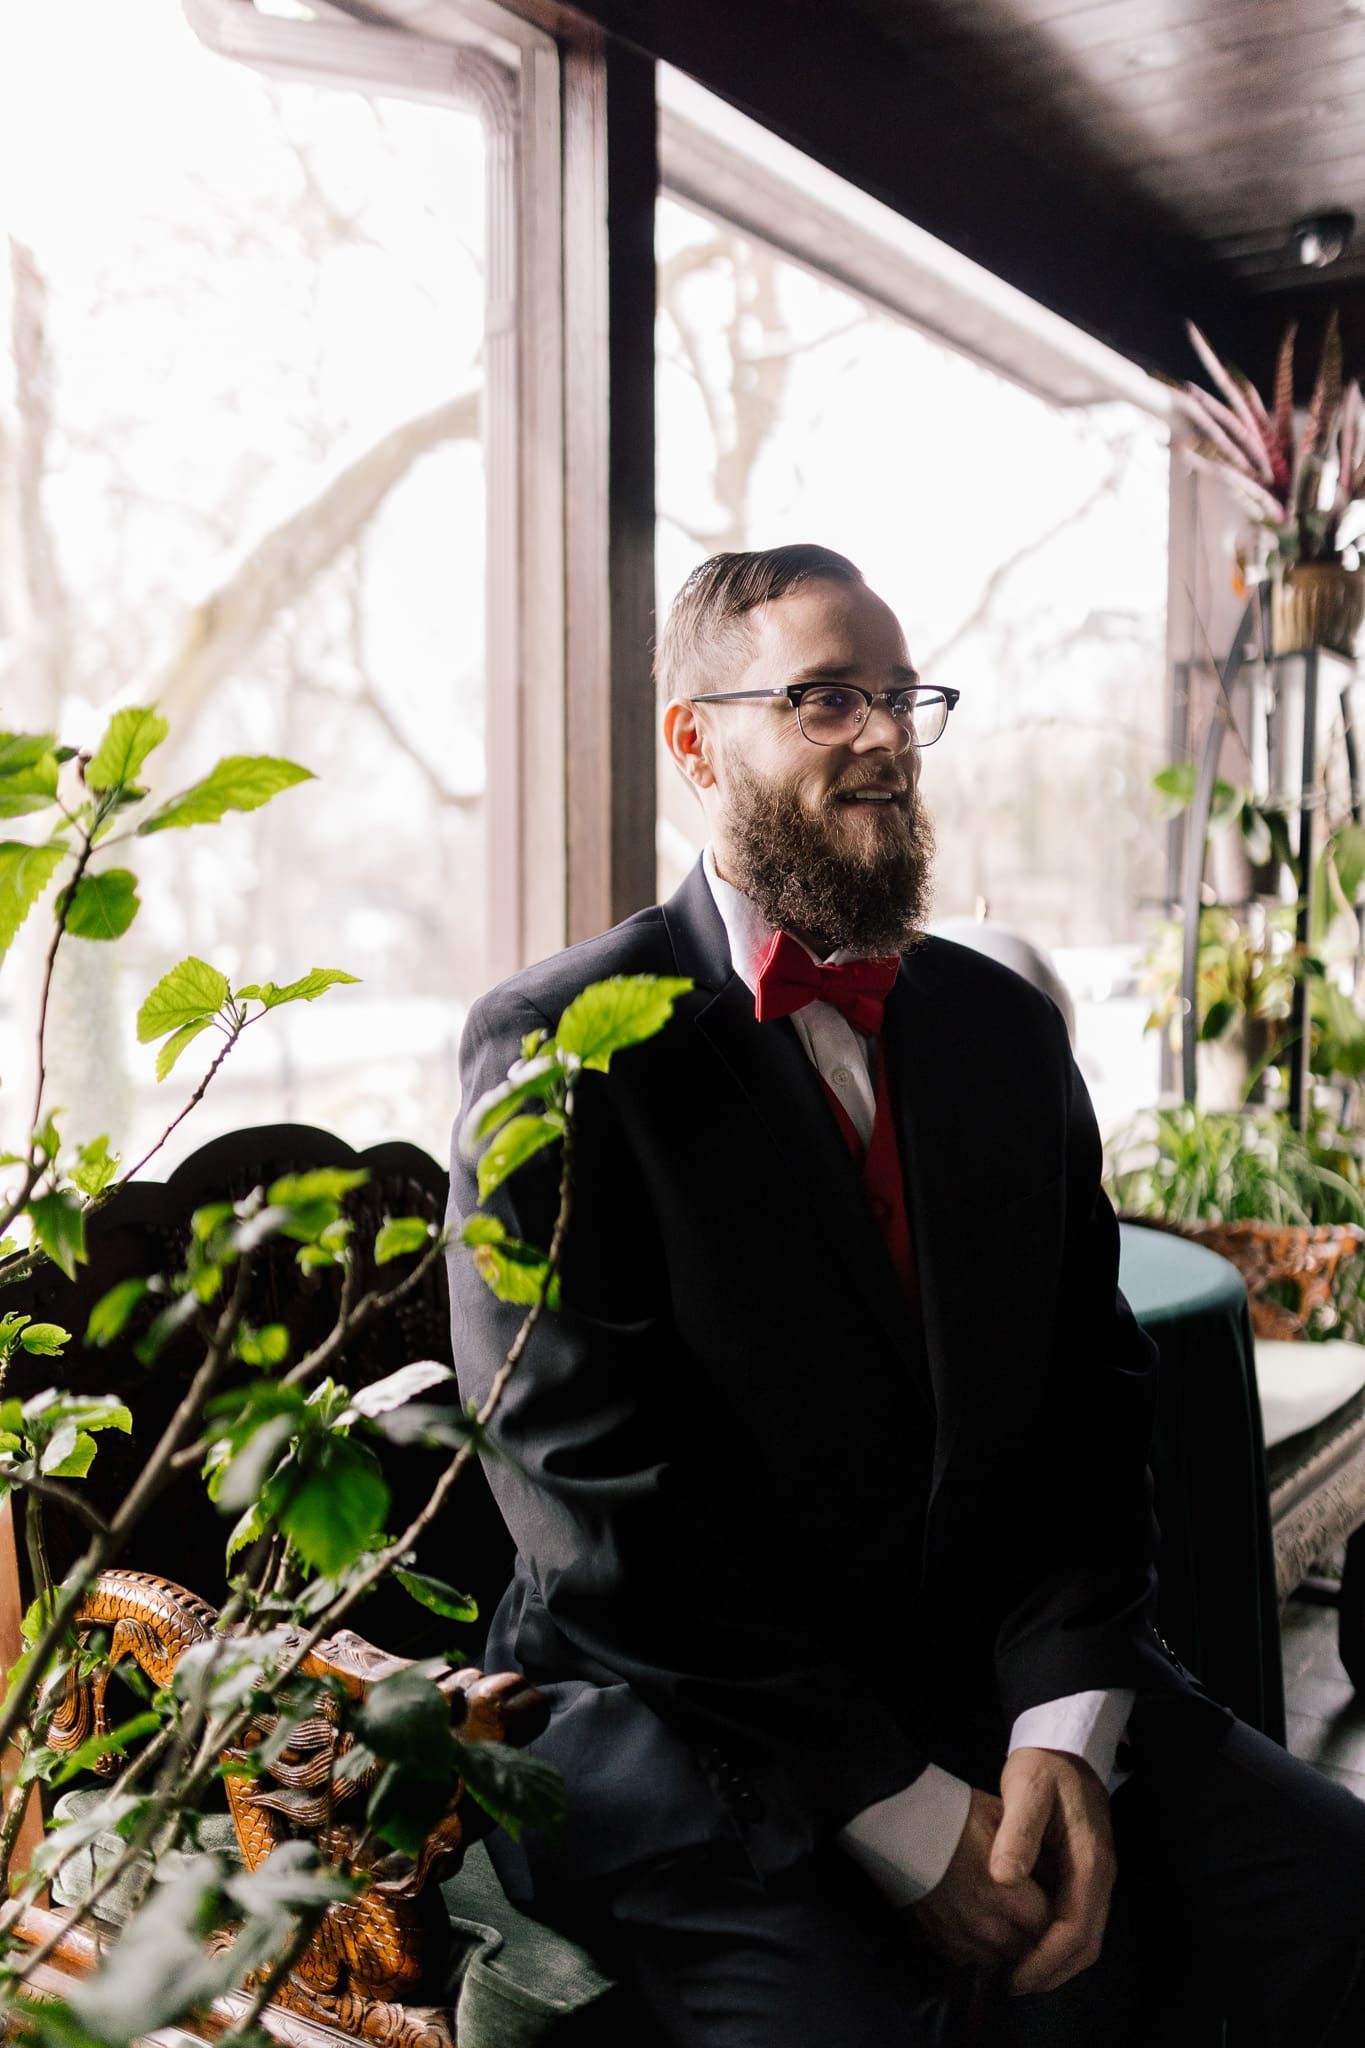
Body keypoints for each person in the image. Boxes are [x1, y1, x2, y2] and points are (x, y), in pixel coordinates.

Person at [446, 544, 1365, 2046]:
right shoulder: (559, 1043)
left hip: (1000, 1685)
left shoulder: (1002, 1029)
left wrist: (1064, 1727)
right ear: (695, 741)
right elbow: (586, 1507)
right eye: (821, 699)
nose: (882, 735)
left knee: (1337, 1883)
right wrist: (900, 1815)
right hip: (698, 1734)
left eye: (897, 697)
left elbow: (1094, 1399)